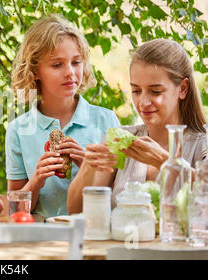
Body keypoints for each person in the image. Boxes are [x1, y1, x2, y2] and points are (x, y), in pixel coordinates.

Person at [68, 38, 207, 214]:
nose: (143, 102)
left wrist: (165, 162)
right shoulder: (120, 139)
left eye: (155, 91)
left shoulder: (203, 143)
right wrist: (88, 167)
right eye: (136, 90)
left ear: (183, 88)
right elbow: (75, 211)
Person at [5, 14, 120, 221]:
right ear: (35, 70)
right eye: (57, 65)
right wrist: (36, 181)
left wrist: (90, 167)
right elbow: (15, 211)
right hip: (43, 239)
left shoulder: (106, 120)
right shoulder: (18, 129)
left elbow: (120, 196)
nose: (70, 72)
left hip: (94, 234)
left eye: (76, 62)